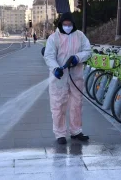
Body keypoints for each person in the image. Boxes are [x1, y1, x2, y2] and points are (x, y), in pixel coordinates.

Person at [43, 12, 92, 144]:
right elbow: (49, 56)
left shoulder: (80, 36)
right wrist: (55, 68)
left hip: (76, 76)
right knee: (58, 105)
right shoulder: (54, 38)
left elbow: (88, 51)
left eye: (69, 24)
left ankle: (76, 131)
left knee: (76, 105)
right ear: (61, 24)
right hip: (59, 78)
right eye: (65, 24)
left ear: (73, 24)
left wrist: (77, 58)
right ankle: (60, 134)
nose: (67, 26)